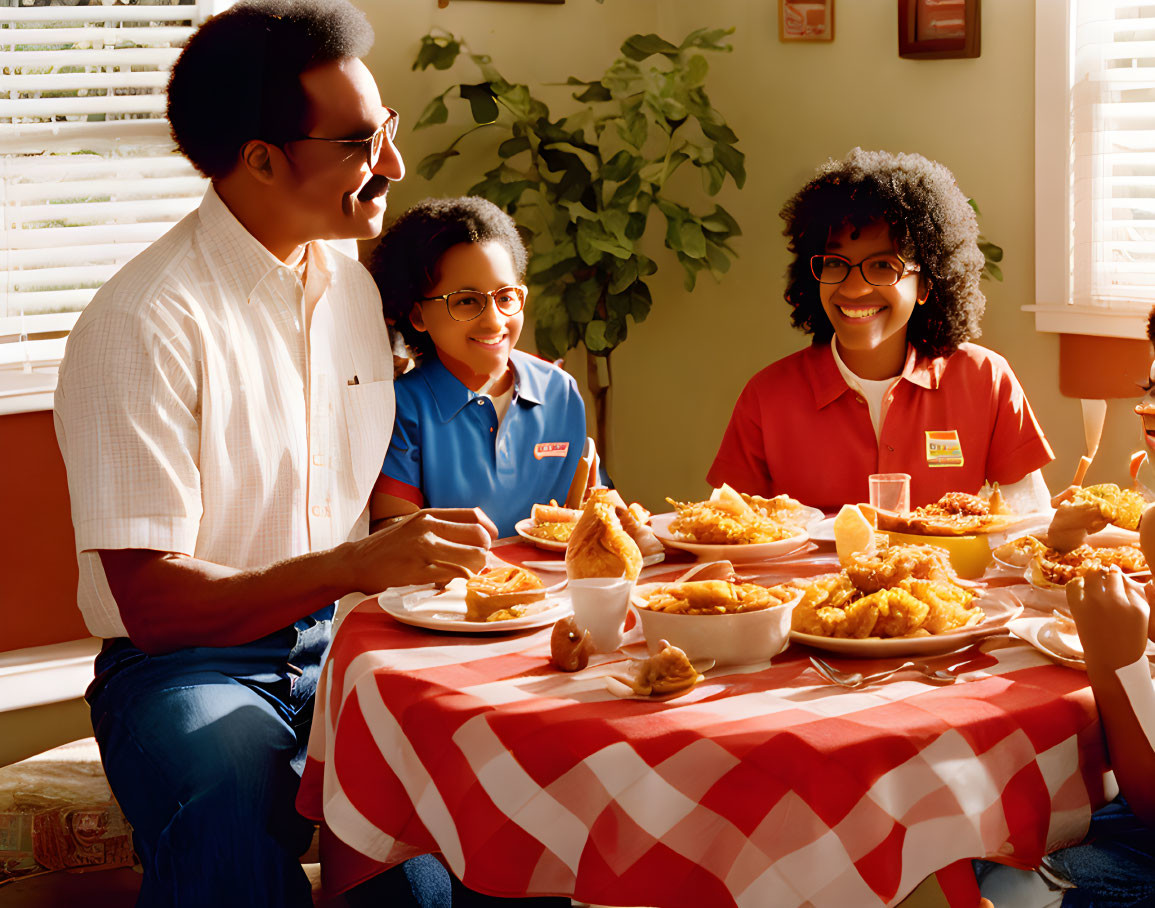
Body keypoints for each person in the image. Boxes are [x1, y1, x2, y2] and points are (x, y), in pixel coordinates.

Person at [53, 2, 496, 905]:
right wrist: (355, 564)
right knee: (230, 790)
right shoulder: (145, 323)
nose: (394, 169)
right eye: (360, 145)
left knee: (443, 845)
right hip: (185, 668)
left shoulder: (351, 292)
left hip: (345, 646)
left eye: (388, 132)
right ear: (259, 158)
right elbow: (155, 607)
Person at [708, 148, 1054, 513]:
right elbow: (727, 534)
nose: (854, 289)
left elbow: (1027, 525)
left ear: (926, 285)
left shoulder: (985, 380)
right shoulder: (766, 398)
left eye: (883, 266)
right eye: (835, 262)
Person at [367, 197, 589, 538]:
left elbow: (588, 503)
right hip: (449, 589)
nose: (493, 321)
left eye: (505, 297)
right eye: (466, 301)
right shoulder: (404, 407)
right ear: (418, 316)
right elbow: (393, 533)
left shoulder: (560, 391)